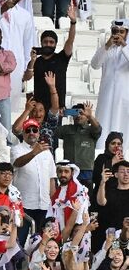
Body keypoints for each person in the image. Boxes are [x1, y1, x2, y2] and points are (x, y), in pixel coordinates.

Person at [0, 0, 34, 107]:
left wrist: (28, 68)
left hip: (17, 65)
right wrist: (3, 9)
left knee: (13, 102)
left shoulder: (25, 14)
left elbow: (28, 42)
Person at [12, 118, 57, 232]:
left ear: (38, 132)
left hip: (44, 204)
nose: (31, 132)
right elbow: (17, 163)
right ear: (23, 133)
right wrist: (34, 152)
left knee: (41, 242)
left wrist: (53, 202)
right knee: (21, 241)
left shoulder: (46, 152)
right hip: (24, 204)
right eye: (28, 130)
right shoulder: (16, 149)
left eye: (34, 130)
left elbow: (51, 178)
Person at [91, 20, 129, 151]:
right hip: (106, 97)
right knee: (104, 127)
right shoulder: (106, 48)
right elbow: (95, 64)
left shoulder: (127, 48)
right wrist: (106, 46)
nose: (117, 34)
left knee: (123, 126)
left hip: (123, 99)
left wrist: (124, 45)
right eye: (115, 31)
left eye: (121, 32)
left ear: (127, 33)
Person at [25, 17, 76, 112]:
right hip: (38, 107)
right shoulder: (36, 60)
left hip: (57, 106)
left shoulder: (62, 58)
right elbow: (26, 77)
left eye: (51, 42)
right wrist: (32, 61)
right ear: (41, 43)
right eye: (45, 42)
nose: (48, 44)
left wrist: (73, 22)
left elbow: (70, 40)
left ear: (56, 44)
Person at [55, 102, 101, 188]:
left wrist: (90, 116)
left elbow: (98, 129)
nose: (78, 116)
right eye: (76, 113)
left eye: (81, 113)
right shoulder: (67, 129)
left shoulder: (91, 130)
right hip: (69, 170)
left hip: (86, 171)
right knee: (68, 197)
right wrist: (59, 117)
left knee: (86, 198)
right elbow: (55, 132)